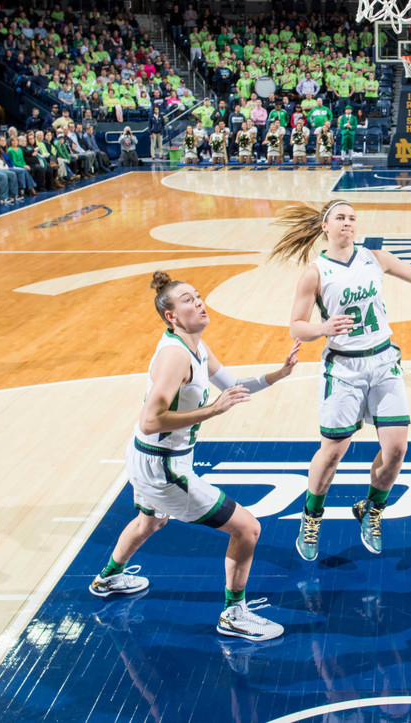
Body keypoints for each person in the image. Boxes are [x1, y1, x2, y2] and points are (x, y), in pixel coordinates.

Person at [89, 270, 300, 641]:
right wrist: (212, 410)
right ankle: (234, 614)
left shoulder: (196, 347)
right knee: (248, 528)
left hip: (151, 456)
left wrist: (278, 374)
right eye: (188, 300)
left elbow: (234, 386)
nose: (200, 303)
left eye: (198, 296)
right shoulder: (175, 357)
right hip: (163, 465)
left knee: (150, 522)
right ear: (171, 316)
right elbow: (150, 420)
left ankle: (108, 578)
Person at [270, 200, 411, 562]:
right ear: (325, 226)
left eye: (352, 218)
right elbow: (296, 327)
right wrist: (323, 328)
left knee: (397, 449)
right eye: (340, 217)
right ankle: (311, 515)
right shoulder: (315, 273)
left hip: (383, 360)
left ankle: (372, 508)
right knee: (333, 452)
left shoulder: (374, 258)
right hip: (344, 369)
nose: (348, 222)